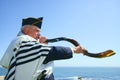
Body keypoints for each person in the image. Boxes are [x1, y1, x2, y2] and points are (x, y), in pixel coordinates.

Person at [0, 17, 87, 80]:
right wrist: (74, 50)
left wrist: (41, 44)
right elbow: (47, 53)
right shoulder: (22, 40)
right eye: (37, 31)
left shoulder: (22, 42)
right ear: (26, 30)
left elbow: (34, 57)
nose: (39, 34)